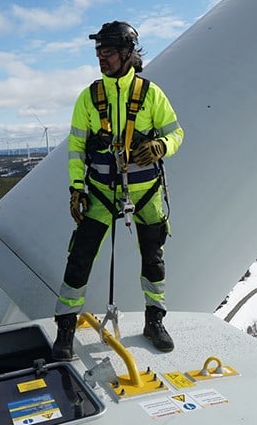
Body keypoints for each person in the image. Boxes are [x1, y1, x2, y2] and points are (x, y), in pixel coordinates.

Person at [52, 21, 184, 361]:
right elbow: (76, 149)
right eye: (98, 51)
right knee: (79, 259)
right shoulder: (89, 97)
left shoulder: (151, 94)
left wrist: (160, 146)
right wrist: (76, 189)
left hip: (146, 193)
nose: (100, 57)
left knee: (153, 259)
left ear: (127, 53)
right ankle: (65, 329)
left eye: (107, 51)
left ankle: (155, 321)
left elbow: (177, 134)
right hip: (99, 194)